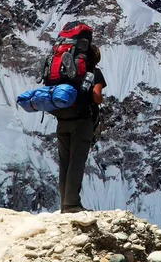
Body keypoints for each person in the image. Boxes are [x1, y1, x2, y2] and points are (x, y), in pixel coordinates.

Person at [56, 42, 106, 213]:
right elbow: (97, 97)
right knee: (76, 162)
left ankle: (64, 204)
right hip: (82, 121)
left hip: (62, 119)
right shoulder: (94, 73)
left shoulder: (66, 73)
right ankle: (72, 204)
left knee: (64, 162)